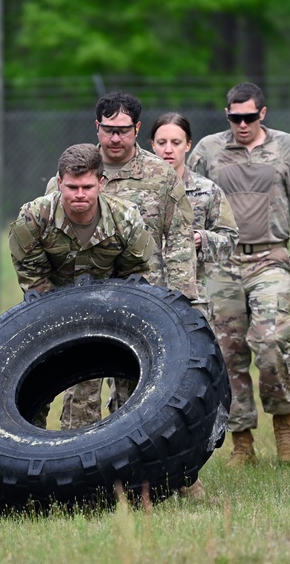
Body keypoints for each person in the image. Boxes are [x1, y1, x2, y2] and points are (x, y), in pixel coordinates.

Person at [45, 91, 199, 430]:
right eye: (108, 129)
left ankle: (143, 473)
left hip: (143, 296)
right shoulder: (75, 171)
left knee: (138, 390)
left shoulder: (160, 176)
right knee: (80, 391)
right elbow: (51, 239)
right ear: (96, 127)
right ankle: (80, 473)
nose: (116, 138)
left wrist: (184, 301)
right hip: (84, 296)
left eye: (124, 130)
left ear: (137, 128)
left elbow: (178, 239)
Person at [189, 82, 290, 466]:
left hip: (269, 257)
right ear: (226, 114)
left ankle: (284, 424)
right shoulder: (209, 151)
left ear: (262, 114)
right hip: (223, 262)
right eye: (234, 118)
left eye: (249, 117)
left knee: (269, 340)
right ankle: (242, 440)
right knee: (228, 353)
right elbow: (187, 198)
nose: (241, 124)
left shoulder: (287, 148)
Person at [10, 143, 155, 293]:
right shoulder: (33, 218)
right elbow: (35, 282)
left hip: (111, 302)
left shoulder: (126, 220)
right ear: (60, 183)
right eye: (72, 187)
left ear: (100, 184)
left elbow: (133, 280)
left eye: (87, 187)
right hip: (51, 304)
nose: (80, 195)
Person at [149, 112, 239, 313]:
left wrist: (202, 239)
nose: (168, 150)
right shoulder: (137, 191)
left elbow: (230, 239)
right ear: (152, 145)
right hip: (146, 297)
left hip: (191, 301)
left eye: (176, 142)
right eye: (162, 142)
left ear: (188, 145)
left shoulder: (207, 191)